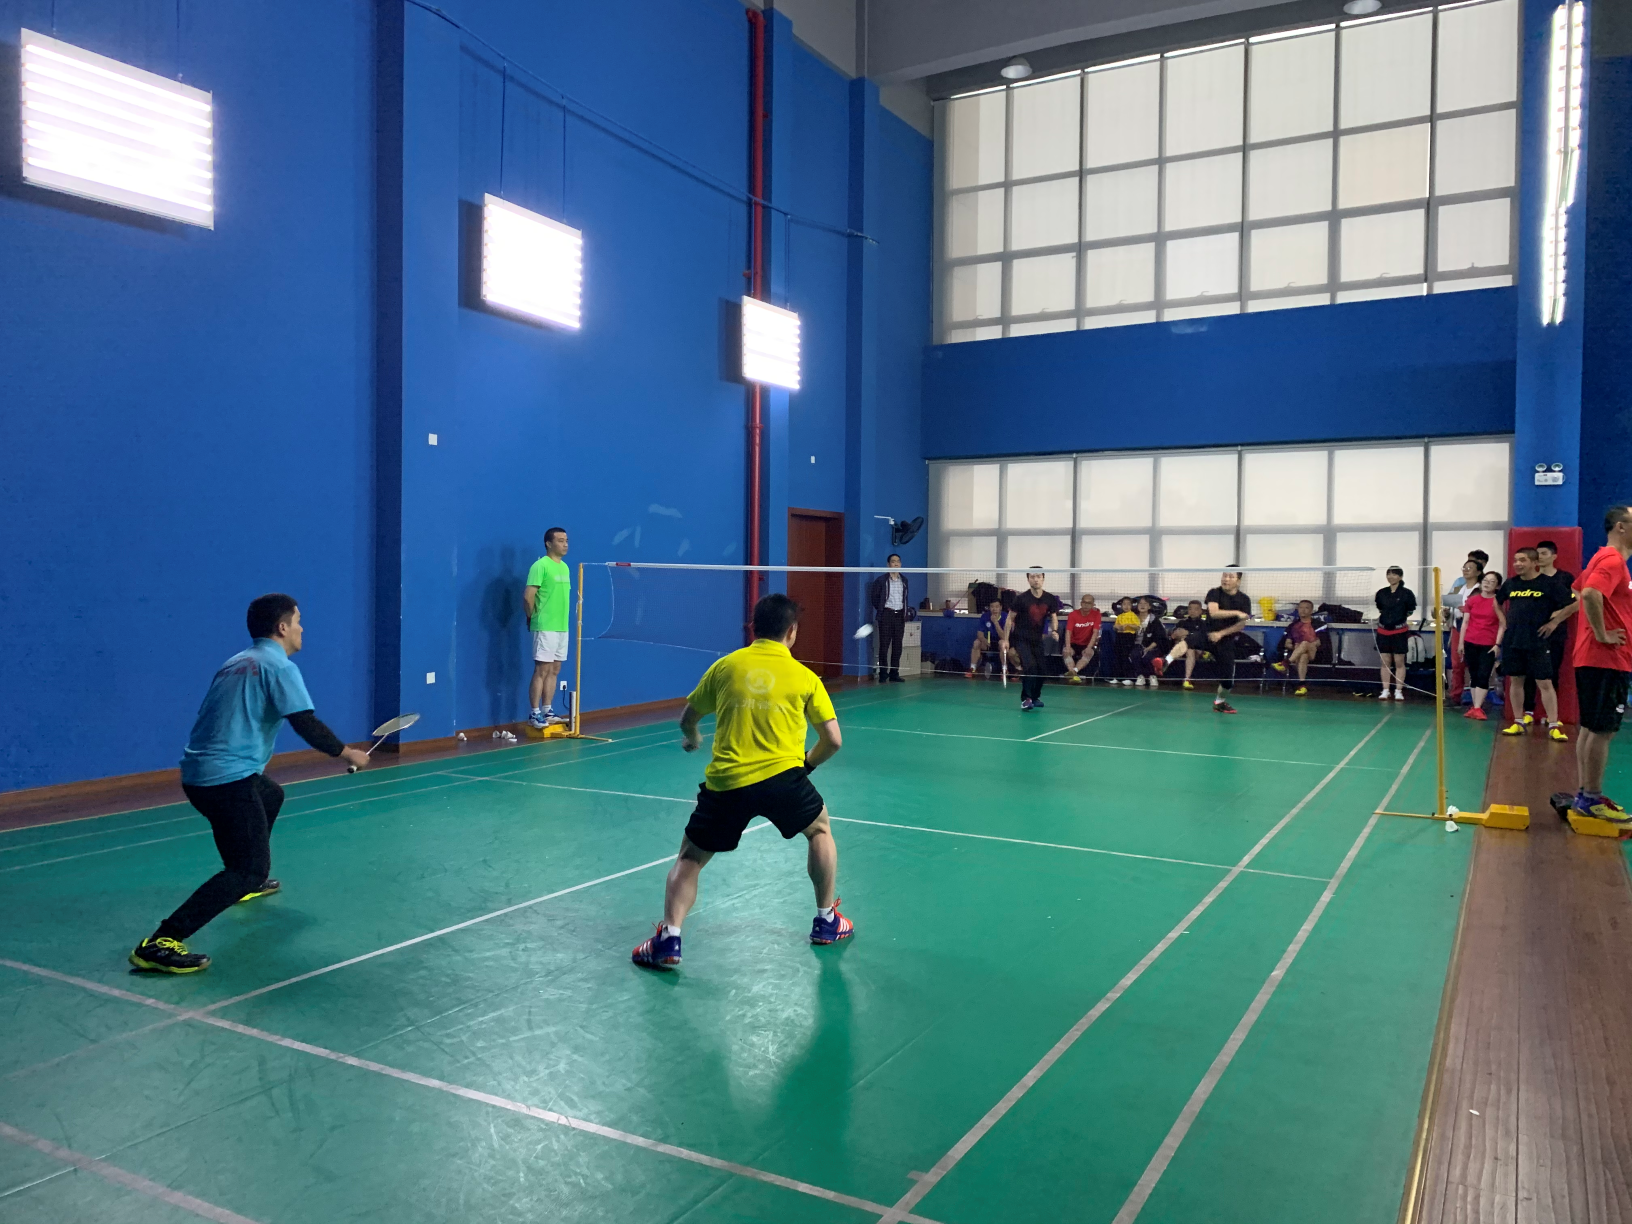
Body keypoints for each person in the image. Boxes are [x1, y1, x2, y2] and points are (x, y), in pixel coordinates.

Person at [129, 595, 370, 974]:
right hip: (226, 780)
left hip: (200, 773)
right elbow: (304, 721)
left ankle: (244, 881)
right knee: (248, 868)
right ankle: (160, 942)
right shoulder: (279, 667)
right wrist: (347, 753)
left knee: (270, 794)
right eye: (298, 621)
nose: (302, 628)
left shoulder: (237, 662)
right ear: (282, 627)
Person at [631, 593, 851, 969]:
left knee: (690, 857)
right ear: (792, 631)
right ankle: (827, 920)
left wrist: (693, 738)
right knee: (819, 830)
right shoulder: (805, 677)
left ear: (753, 628)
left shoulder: (726, 667)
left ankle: (669, 940)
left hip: (727, 783)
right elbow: (833, 740)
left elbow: (688, 717)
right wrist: (806, 766)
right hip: (785, 779)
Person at [1570, 506, 1632, 823]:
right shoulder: (1612, 560)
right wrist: (1602, 633)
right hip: (1605, 658)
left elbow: (1578, 589)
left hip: (1593, 657)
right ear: (1621, 526)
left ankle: (1586, 793)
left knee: (1591, 728)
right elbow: (1591, 593)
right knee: (1603, 731)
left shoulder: (1600, 557)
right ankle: (1591, 798)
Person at [1497, 548, 1569, 740]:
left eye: (1522, 560)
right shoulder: (1511, 584)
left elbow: (1574, 603)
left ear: (1534, 563)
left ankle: (1553, 725)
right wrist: (1503, 621)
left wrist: (1554, 622)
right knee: (1516, 681)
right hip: (1514, 640)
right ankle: (1518, 722)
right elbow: (1497, 602)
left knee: (1545, 682)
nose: (1517, 564)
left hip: (1537, 640)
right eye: (1515, 560)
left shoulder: (1549, 584)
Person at [1525, 540, 1578, 723]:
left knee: (1552, 672)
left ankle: (1551, 716)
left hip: (1555, 633)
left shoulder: (1565, 578)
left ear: (1554, 556)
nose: (1540, 557)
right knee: (1529, 672)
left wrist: (1556, 618)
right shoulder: (1530, 578)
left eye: (1544, 553)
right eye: (1537, 553)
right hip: (1531, 633)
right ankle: (1528, 712)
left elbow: (1576, 603)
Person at [524, 528, 572, 729]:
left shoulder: (565, 567)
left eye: (566, 540)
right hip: (545, 626)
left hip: (562, 626)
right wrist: (531, 617)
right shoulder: (540, 566)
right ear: (548, 544)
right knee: (542, 670)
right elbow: (528, 596)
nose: (565, 544)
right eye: (560, 540)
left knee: (555, 669)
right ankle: (534, 713)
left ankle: (547, 710)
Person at [1011, 567, 1063, 710]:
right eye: (1032, 577)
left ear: (1043, 578)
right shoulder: (1021, 599)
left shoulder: (1050, 598)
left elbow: (1053, 617)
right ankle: (1026, 699)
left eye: (1038, 577)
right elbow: (1010, 619)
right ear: (1028, 579)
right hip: (1021, 639)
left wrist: (1054, 630)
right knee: (1030, 666)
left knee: (1042, 669)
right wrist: (1006, 640)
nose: (1036, 579)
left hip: (1037, 640)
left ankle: (1035, 697)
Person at [1204, 570, 1253, 714]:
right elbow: (1213, 613)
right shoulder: (1214, 593)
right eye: (1224, 575)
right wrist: (1237, 613)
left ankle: (1219, 702)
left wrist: (1221, 634)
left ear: (1238, 581)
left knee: (1228, 679)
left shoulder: (1244, 599)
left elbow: (1241, 625)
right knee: (1187, 644)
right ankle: (1166, 661)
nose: (1226, 579)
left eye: (1231, 576)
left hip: (1226, 641)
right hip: (1207, 635)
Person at [1459, 571, 1504, 722]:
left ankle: (1478, 707)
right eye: (1485, 580)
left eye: (1492, 582)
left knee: (1484, 674)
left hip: (1488, 644)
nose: (1487, 583)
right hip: (1470, 641)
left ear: (1497, 586)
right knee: (1473, 674)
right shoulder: (1472, 600)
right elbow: (1465, 622)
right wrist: (1461, 643)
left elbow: (1502, 624)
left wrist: (1497, 644)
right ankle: (1474, 706)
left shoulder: (1498, 602)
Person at [1445, 557, 1485, 703]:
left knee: (1475, 663)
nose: (1466, 570)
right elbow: (1450, 607)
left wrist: (1469, 610)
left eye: (1470, 568)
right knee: (1457, 664)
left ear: (1478, 572)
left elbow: (1486, 609)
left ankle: (1476, 697)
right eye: (1464, 568)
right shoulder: (1458, 588)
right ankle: (1455, 695)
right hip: (1457, 627)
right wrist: (1447, 613)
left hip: (1475, 629)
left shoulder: (1481, 589)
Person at [1374, 567, 1417, 701]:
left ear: (1400, 577)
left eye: (1394, 574)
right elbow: (1380, 608)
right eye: (1389, 574)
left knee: (1399, 662)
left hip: (1399, 632)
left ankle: (1399, 690)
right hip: (1383, 631)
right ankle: (1385, 690)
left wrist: (1398, 618)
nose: (1391, 577)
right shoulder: (1381, 593)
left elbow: (1410, 610)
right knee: (1385, 662)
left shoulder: (1407, 593)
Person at [868, 554, 909, 683]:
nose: (896, 563)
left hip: (899, 616)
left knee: (898, 646)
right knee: (884, 646)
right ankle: (883, 674)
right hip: (886, 615)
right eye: (893, 561)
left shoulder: (904, 580)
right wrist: (883, 610)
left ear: (900, 564)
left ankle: (894, 673)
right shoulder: (881, 580)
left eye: (898, 561)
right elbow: (874, 598)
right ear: (888, 564)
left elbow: (905, 598)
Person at [1272, 600, 1324, 695]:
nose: (1303, 610)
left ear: (1311, 610)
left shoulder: (1319, 625)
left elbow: (1320, 642)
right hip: (1298, 652)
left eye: (1306, 608)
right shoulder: (1292, 626)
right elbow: (1287, 643)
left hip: (1315, 652)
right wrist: (1294, 646)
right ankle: (1302, 686)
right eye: (1301, 607)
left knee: (1304, 643)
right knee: (1303, 656)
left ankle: (1285, 663)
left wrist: (1305, 645)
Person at [1165, 600, 1209, 690]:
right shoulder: (1182, 623)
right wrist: (1179, 634)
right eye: (1190, 609)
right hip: (1180, 649)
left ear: (1201, 611)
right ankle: (1187, 679)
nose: (1192, 611)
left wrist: (1188, 633)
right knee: (1188, 647)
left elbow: (1203, 638)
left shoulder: (1204, 624)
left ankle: (1186, 678)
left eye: (1196, 609)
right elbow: (1173, 636)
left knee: (1190, 649)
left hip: (1198, 650)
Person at [968, 598, 1017, 678]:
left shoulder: (1005, 617)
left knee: (1002, 644)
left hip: (1001, 641)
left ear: (1000, 607)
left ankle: (1004, 670)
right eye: (992, 607)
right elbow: (980, 633)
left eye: (997, 607)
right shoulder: (985, 616)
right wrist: (984, 640)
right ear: (989, 608)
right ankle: (972, 668)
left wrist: (995, 622)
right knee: (976, 643)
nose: (994, 609)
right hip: (988, 641)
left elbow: (1004, 637)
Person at [1063, 594, 1102, 683]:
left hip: (1087, 644)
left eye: (1089, 603)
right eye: (1084, 602)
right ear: (1081, 603)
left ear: (1093, 605)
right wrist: (1068, 646)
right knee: (1066, 651)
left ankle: (1073, 672)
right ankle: (1074, 675)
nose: (1086, 605)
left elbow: (1095, 632)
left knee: (1089, 653)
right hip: (1073, 643)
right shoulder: (1073, 614)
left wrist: (1089, 647)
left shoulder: (1097, 615)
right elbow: (1068, 631)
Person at [1132, 596, 1168, 687]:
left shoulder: (1155, 621)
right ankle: (1140, 676)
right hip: (1136, 645)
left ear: (1149, 607)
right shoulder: (1133, 618)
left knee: (1148, 657)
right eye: (1140, 603)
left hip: (1152, 646)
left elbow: (1159, 638)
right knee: (1135, 654)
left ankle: (1152, 676)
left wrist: (1148, 648)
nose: (1142, 605)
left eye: (1145, 604)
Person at [1112, 597, 1140, 686]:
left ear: (1131, 606)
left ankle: (1128, 677)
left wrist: (1128, 625)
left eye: (1128, 604)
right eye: (1124, 604)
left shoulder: (1133, 615)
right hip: (1119, 637)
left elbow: (1137, 627)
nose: (1126, 606)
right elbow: (1115, 627)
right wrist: (1118, 627)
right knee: (1118, 656)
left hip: (1129, 637)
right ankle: (1118, 677)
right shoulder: (1119, 616)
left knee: (1126, 657)